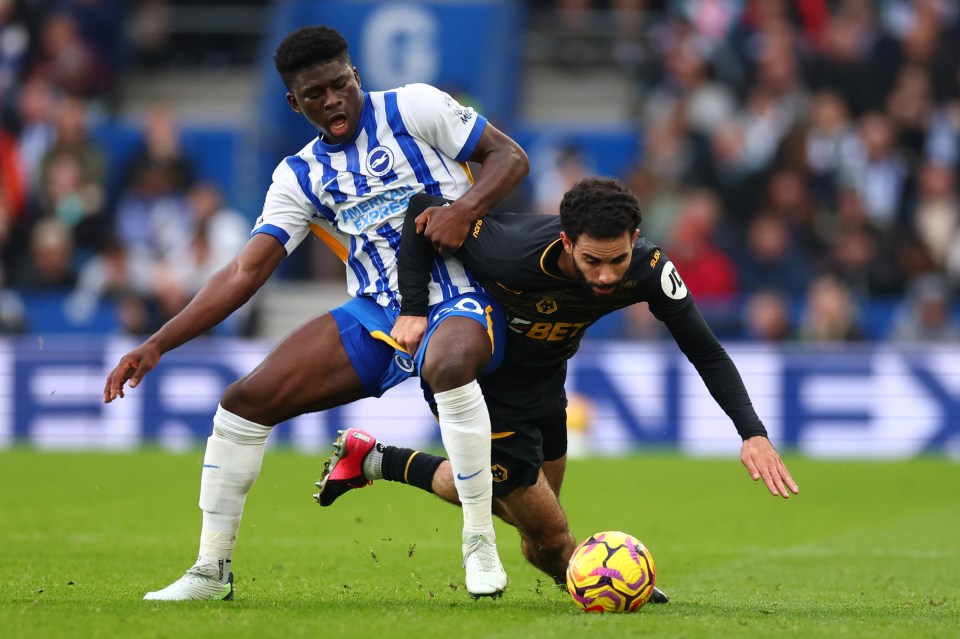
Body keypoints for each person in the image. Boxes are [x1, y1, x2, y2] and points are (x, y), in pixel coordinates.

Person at [102, 25, 528, 601]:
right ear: (292, 102)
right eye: (313, 95)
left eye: (338, 85)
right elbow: (244, 272)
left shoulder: (416, 107)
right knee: (243, 403)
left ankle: (478, 542)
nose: (331, 102)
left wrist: (467, 208)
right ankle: (210, 571)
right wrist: (157, 342)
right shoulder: (298, 175)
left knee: (450, 364)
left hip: (461, 298)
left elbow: (511, 156)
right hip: (376, 315)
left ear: (355, 76)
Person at [314, 177, 798, 594]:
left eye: (618, 260)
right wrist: (414, 307)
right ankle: (607, 583)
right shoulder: (509, 250)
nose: (607, 277)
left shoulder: (649, 269)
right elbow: (423, 211)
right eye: (592, 261)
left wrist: (751, 431)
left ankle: (376, 459)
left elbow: (706, 350)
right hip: (484, 387)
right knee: (549, 536)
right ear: (567, 242)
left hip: (546, 384)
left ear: (635, 237)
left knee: (517, 512)